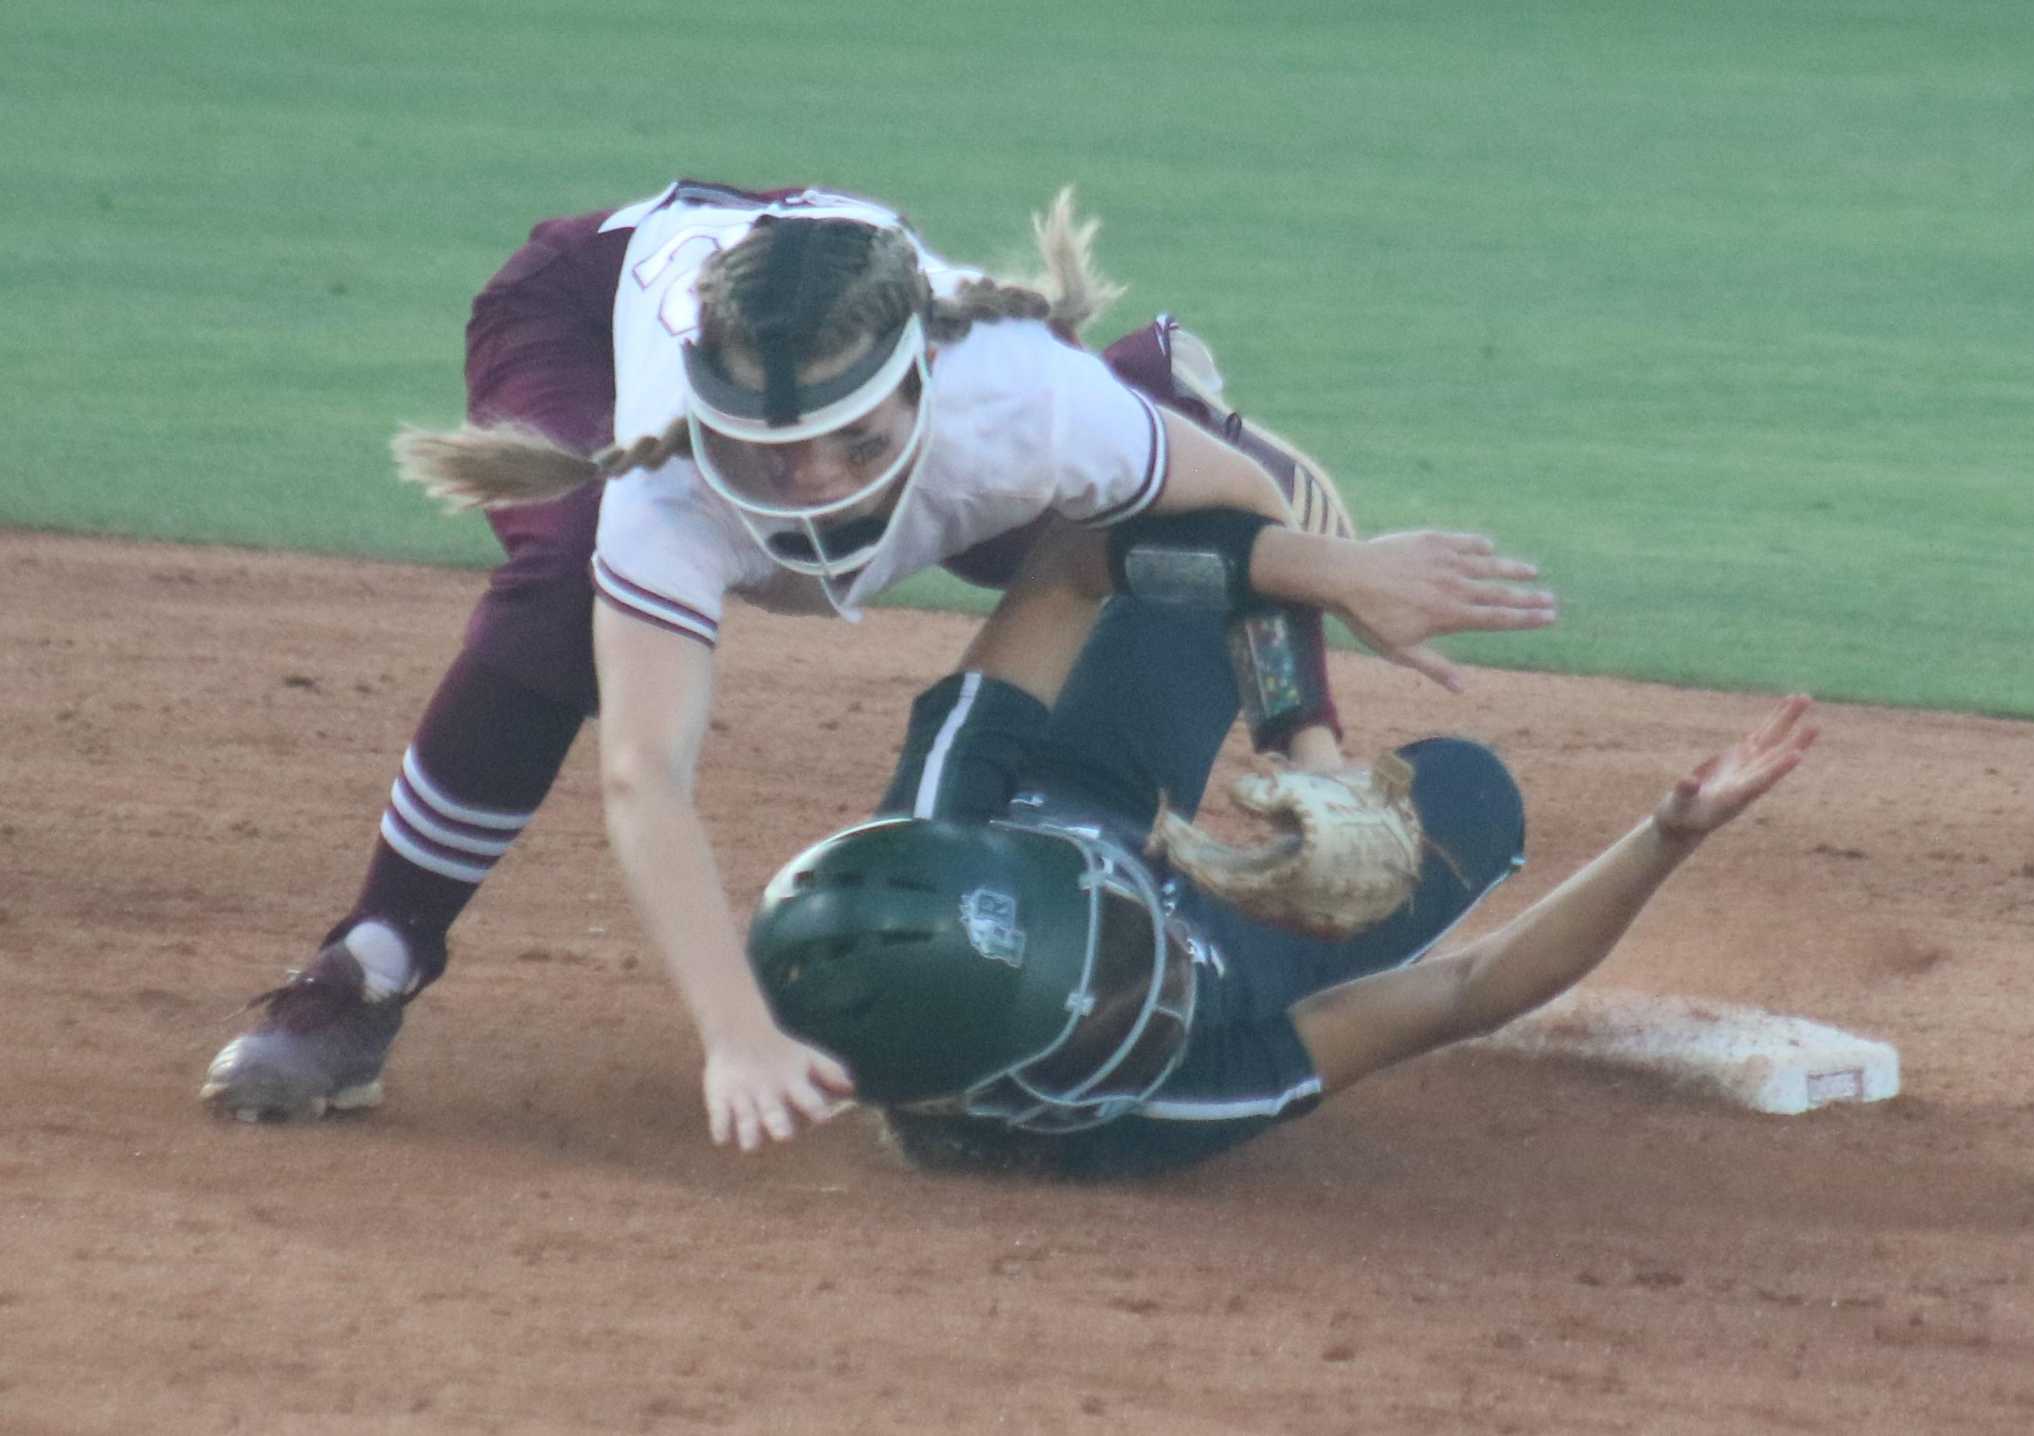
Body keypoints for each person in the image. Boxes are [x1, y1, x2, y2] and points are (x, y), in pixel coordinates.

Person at [200, 176, 1558, 1144]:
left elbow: (1236, 509)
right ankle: (370, 963)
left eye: (845, 438)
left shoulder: (1015, 399)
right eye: (764, 448)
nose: (800, 479)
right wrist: (735, 1028)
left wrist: (1304, 741)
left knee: (1144, 495)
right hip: (585, 306)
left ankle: (1155, 383)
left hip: (977, 432)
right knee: (565, 584)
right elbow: (644, 781)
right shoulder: (668, 486)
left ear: (913, 385)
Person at [745, 522, 1818, 1177]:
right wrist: (1663, 836)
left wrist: (1301, 733)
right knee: (1468, 793)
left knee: (1203, 561)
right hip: (1248, 957)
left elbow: (1077, 559)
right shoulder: (1174, 1100)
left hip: (1073, 796)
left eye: (1125, 914)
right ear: (1064, 1086)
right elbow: (1463, 991)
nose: (1158, 917)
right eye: (1126, 969)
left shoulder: (943, 811)